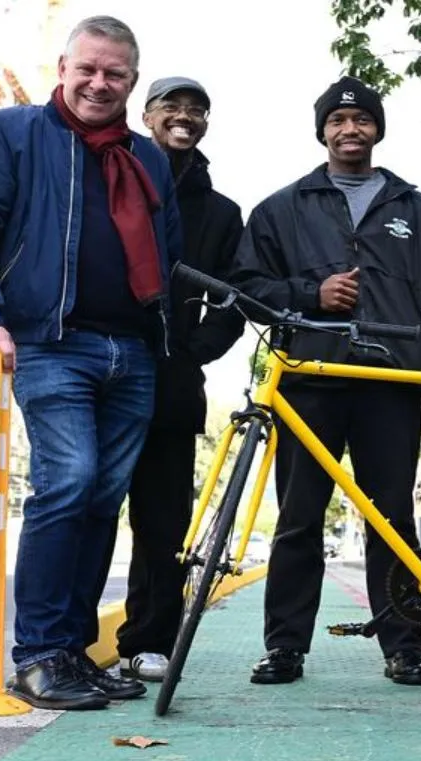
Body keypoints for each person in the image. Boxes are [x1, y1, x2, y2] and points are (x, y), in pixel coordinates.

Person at [0, 16, 181, 710]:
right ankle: (39, 654)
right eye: (89, 69)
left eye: (116, 74)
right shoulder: (10, 134)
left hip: (129, 350)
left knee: (104, 500)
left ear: (132, 81)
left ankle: (72, 651)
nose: (100, 84)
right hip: (48, 340)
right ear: (64, 67)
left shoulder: (147, 156)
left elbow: (167, 250)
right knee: (68, 482)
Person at [231, 76, 421, 687]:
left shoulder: (417, 208)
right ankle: (285, 649)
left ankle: (404, 646)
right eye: (337, 121)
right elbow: (248, 287)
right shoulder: (282, 207)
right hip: (311, 379)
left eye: (362, 121)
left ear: (377, 129)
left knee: (392, 516)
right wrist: (311, 294)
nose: (349, 129)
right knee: (299, 515)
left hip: (392, 380)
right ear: (322, 131)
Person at [115, 77, 245, 682]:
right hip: (102, 360)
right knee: (87, 501)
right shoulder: (108, 174)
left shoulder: (221, 213)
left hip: (172, 377)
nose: (185, 116)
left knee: (163, 519)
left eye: (197, 108)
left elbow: (233, 297)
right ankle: (60, 643)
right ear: (147, 115)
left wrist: (192, 351)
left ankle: (147, 643)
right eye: (172, 106)